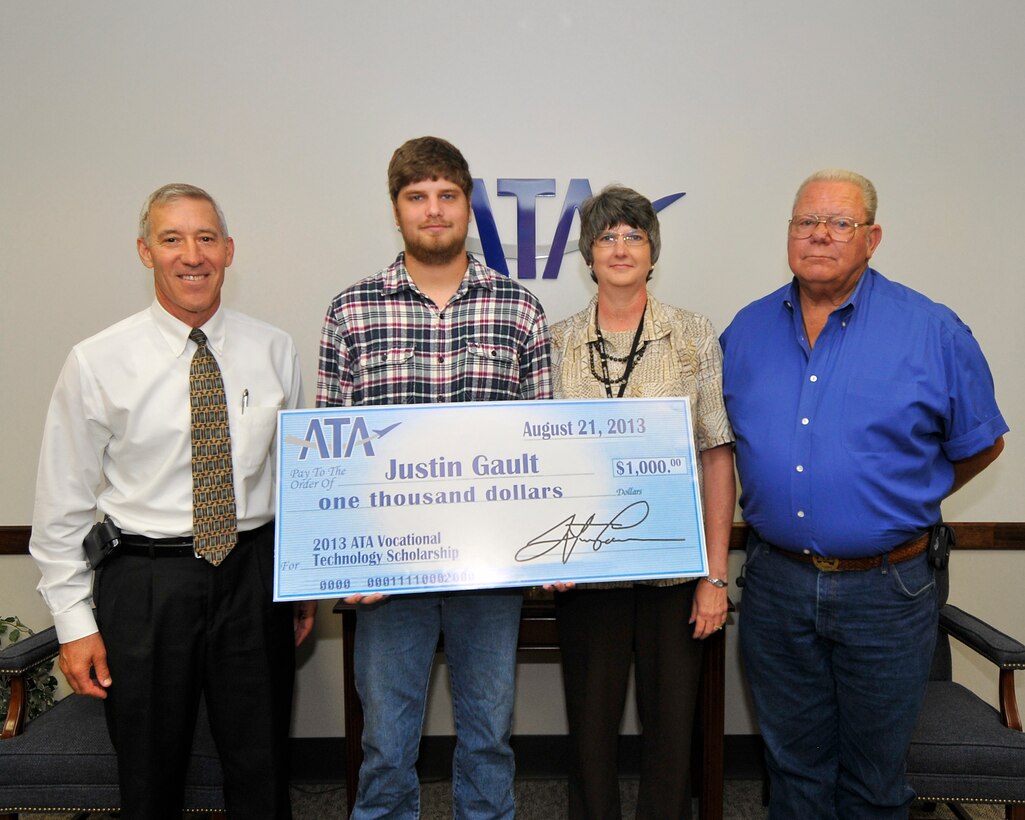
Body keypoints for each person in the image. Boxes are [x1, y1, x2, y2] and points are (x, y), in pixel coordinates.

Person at [720, 169, 1007, 819]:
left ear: (871, 237)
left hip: (888, 589)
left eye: (839, 223)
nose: (818, 235)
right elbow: (721, 446)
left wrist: (900, 499)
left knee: (872, 782)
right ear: (788, 234)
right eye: (804, 222)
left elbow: (980, 443)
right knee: (792, 770)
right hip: (776, 586)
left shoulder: (931, 330)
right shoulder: (746, 331)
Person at [29, 184, 317, 819]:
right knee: (150, 777)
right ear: (144, 252)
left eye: (207, 238)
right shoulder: (97, 361)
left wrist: (299, 584)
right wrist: (76, 624)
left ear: (230, 250)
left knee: (262, 770)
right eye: (173, 239)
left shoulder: (275, 350)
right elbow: (62, 507)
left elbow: (300, 480)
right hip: (146, 581)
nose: (193, 255)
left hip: (253, 574)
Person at [316, 136, 552, 818]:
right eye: (417, 197)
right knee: (386, 745)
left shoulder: (517, 308)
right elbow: (333, 452)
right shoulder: (351, 310)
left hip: (489, 570)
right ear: (396, 210)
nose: (433, 210)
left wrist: (549, 544)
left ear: (468, 205)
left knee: (488, 739)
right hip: (388, 572)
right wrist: (343, 563)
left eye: (447, 195)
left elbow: (542, 444)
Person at [549, 185, 735, 819]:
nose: (620, 247)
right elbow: (538, 460)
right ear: (587, 253)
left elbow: (716, 455)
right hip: (586, 572)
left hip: (674, 574)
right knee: (589, 739)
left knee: (670, 739)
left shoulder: (691, 334)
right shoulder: (557, 342)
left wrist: (715, 576)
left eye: (634, 236)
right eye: (606, 237)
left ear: (654, 250)